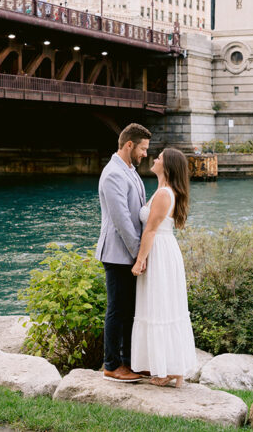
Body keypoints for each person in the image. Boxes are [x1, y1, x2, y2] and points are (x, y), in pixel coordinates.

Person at [130, 147, 196, 388]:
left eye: (158, 158)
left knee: (160, 307)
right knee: (165, 307)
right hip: (164, 250)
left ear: (166, 166)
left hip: (159, 251)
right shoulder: (164, 191)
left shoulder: (163, 194)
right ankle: (172, 370)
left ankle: (167, 370)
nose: (154, 159)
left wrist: (139, 260)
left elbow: (150, 230)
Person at [95, 123, 151, 382]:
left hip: (128, 253)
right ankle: (111, 364)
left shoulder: (130, 170)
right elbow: (122, 221)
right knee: (117, 310)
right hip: (117, 254)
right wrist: (140, 254)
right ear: (129, 145)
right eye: (142, 148)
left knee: (129, 310)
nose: (145, 154)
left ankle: (129, 363)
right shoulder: (113, 174)